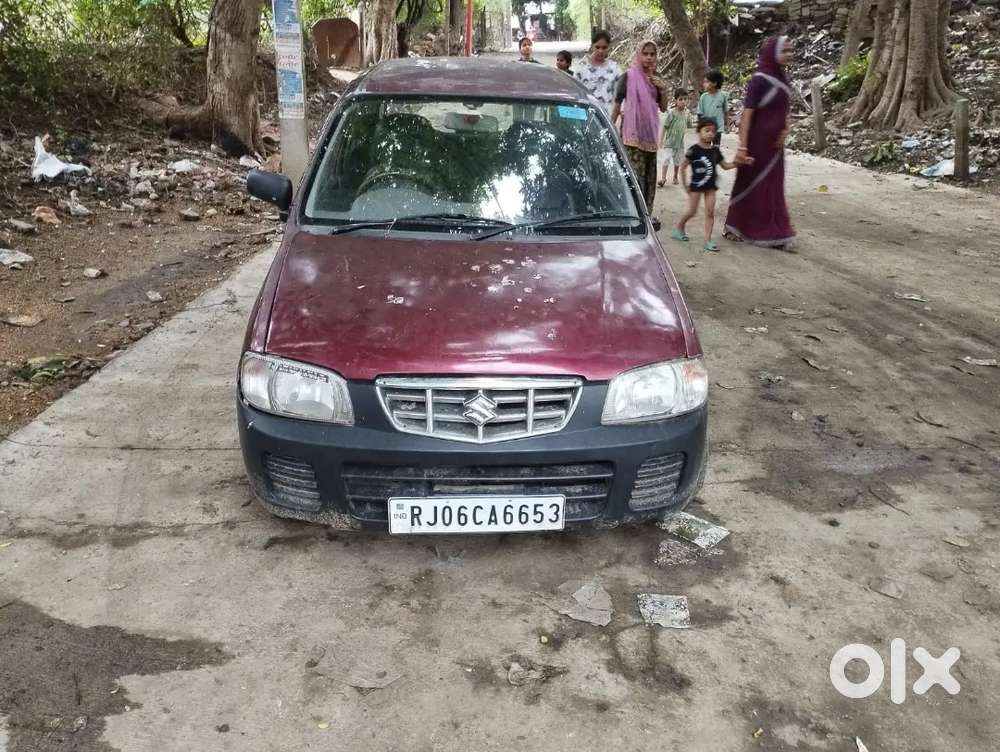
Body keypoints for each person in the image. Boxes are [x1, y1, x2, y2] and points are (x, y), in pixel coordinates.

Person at [723, 35, 796, 249]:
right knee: (751, 183)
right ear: (772, 53)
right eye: (785, 51)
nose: (789, 55)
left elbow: (784, 110)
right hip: (757, 143)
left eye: (791, 51)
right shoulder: (759, 79)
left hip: (775, 146)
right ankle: (737, 226)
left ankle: (774, 229)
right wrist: (743, 146)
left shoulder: (782, 79)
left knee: (772, 187)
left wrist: (786, 129)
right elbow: (747, 114)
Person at [610, 40, 668, 223]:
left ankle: (645, 216)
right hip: (631, 137)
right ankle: (631, 214)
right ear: (638, 54)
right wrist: (609, 128)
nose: (649, 57)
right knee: (634, 177)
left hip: (650, 136)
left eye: (653, 54)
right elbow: (618, 103)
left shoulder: (657, 78)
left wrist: (663, 89)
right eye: (646, 54)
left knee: (650, 178)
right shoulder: (628, 77)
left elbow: (664, 108)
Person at [670, 117, 741, 252]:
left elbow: (725, 166)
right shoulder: (694, 150)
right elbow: (683, 166)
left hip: (710, 188)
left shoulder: (715, 150)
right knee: (692, 211)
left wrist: (737, 163)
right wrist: (685, 186)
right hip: (696, 187)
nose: (710, 133)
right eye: (706, 130)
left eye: (713, 131)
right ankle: (679, 228)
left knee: (710, 212)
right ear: (699, 131)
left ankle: (708, 240)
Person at [574, 30, 622, 113]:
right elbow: (575, 92)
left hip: (607, 117)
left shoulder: (615, 69)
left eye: (604, 48)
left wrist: (613, 118)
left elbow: (618, 98)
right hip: (586, 114)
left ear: (608, 47)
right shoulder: (581, 67)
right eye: (597, 47)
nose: (600, 51)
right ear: (592, 46)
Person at [657, 88, 689, 188]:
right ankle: (663, 178)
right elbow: (665, 127)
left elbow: (686, 125)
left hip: (679, 143)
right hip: (669, 142)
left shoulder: (686, 113)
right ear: (675, 101)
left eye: (685, 99)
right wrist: (661, 140)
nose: (683, 101)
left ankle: (675, 176)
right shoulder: (672, 113)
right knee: (666, 159)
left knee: (677, 161)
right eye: (680, 99)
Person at [697, 69, 729, 146]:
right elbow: (699, 113)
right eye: (704, 82)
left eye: (707, 82)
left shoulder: (722, 96)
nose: (704, 84)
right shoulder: (703, 97)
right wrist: (700, 128)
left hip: (718, 129)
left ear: (714, 83)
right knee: (705, 148)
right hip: (706, 129)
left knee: (716, 148)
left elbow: (726, 111)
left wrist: (726, 125)